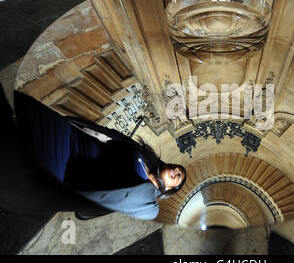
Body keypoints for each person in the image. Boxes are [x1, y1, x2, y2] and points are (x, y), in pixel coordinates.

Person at [0, 84, 186, 220]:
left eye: (178, 176)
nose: (176, 170)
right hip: (69, 136)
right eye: (177, 168)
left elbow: (103, 206)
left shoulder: (148, 202)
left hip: (62, 169)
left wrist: (151, 186)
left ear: (170, 189)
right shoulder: (146, 159)